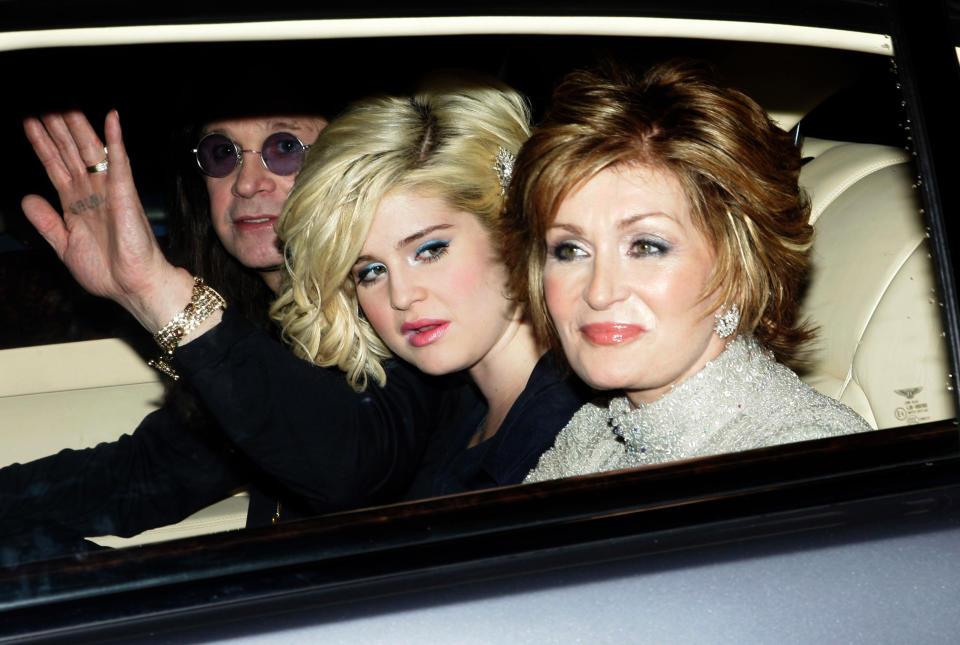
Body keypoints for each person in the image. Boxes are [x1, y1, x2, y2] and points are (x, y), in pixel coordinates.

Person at [1, 105, 442, 563]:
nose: (247, 182)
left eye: (285, 148)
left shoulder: (406, 316)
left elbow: (351, 468)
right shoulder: (266, 332)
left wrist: (156, 290)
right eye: (221, 153)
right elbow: (144, 477)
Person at [500, 60, 873, 483]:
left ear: (740, 267)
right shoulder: (594, 432)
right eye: (570, 249)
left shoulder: (802, 463)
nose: (599, 293)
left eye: (645, 246)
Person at [273, 76, 586, 498]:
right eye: (370, 272)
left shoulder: (572, 429)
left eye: (430, 250)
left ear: (509, 230)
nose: (401, 296)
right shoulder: (458, 410)